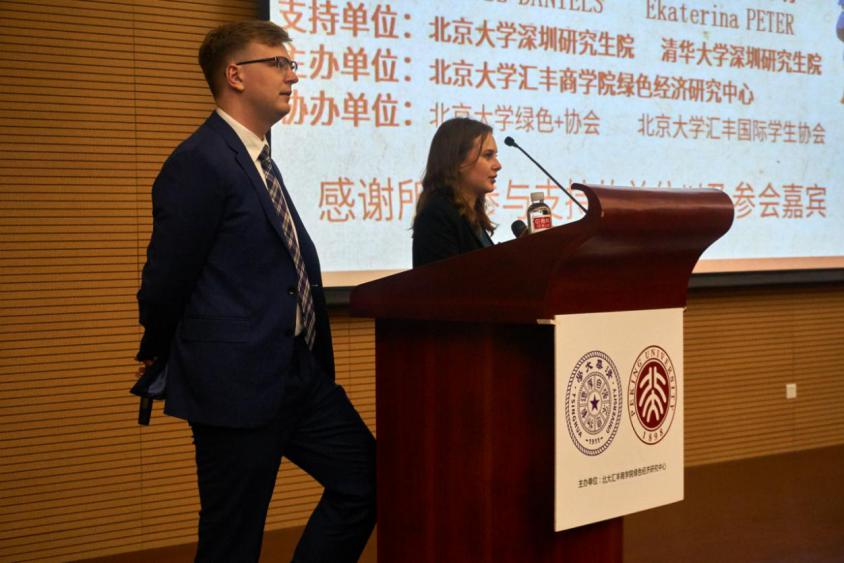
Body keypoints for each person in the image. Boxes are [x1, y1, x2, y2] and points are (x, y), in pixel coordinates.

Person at [134, 20, 375, 562]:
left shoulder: (259, 158)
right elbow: (166, 279)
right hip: (233, 382)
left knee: (366, 480)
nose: (293, 76)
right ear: (235, 75)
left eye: (293, 64)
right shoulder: (200, 161)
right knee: (233, 541)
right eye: (279, 63)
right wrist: (160, 346)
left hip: (298, 373)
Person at [412, 117, 502, 267]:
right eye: (488, 155)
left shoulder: (470, 216)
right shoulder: (437, 215)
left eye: (495, 156)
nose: (498, 165)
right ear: (458, 161)